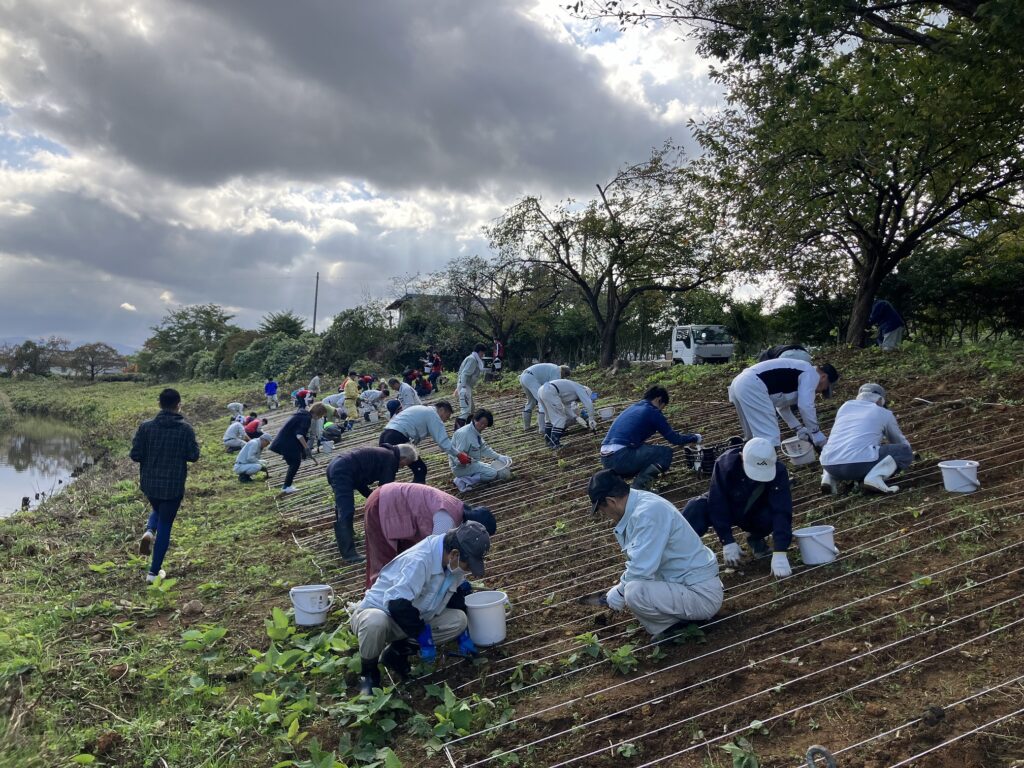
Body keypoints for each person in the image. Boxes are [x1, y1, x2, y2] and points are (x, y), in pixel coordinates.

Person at [350, 521, 491, 694]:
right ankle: (368, 675)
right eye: (468, 565)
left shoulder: (452, 564)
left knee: (458, 620)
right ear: (454, 554)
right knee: (374, 622)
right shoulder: (420, 559)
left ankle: (396, 653)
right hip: (382, 613)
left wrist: (463, 634)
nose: (468, 570)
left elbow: (453, 596)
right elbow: (397, 604)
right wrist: (423, 636)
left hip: (411, 616)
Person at [587, 470, 723, 637]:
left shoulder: (648, 513)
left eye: (602, 510)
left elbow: (641, 569)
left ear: (611, 501)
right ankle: (680, 621)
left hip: (700, 594)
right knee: (634, 588)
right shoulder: (638, 504)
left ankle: (676, 629)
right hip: (682, 584)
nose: (605, 515)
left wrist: (620, 592)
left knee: (635, 592)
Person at [681, 438, 795, 578]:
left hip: (755, 509)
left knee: (770, 515)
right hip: (730, 505)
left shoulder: (779, 471)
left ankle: (756, 539)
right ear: (742, 458)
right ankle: (680, 553)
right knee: (696, 507)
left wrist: (780, 551)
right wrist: (727, 540)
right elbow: (718, 502)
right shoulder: (725, 464)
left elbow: (782, 510)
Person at [363, 482, 497, 587]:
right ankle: (374, 606)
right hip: (384, 503)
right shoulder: (447, 520)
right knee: (384, 561)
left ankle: (403, 593)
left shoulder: (458, 510)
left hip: (397, 502)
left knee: (407, 560)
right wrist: (453, 581)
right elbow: (434, 554)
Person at [130, 388, 201, 583]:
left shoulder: (146, 427)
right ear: (179, 404)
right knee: (166, 523)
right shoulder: (185, 429)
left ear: (159, 404)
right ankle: (153, 573)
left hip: (150, 484)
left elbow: (135, 455)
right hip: (173, 485)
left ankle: (149, 530)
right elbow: (193, 456)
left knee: (158, 509)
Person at [325, 444, 418, 563]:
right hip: (343, 470)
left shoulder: (385, 454)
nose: (403, 467)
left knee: (342, 506)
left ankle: (349, 536)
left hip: (337, 466)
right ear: (403, 458)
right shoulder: (390, 460)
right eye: (405, 464)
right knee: (346, 509)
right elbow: (385, 490)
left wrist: (371, 497)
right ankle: (349, 554)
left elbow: (361, 481)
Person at [600, 386, 702, 490]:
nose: (661, 410)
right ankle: (639, 488)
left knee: (646, 452)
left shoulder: (633, 408)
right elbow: (675, 439)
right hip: (622, 457)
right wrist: (695, 438)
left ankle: (623, 489)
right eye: (663, 406)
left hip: (606, 459)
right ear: (659, 399)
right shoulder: (652, 412)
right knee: (665, 453)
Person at [820, 383, 913, 495]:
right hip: (857, 465)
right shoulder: (883, 412)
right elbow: (898, 441)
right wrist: (910, 453)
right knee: (904, 451)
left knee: (839, 445)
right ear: (880, 400)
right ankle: (874, 478)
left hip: (828, 464)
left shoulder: (845, 408)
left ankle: (828, 479)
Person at [728, 358, 840, 447]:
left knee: (751, 439)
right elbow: (806, 406)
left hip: (740, 383)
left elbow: (782, 406)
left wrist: (798, 428)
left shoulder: (799, 373)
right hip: (752, 384)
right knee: (769, 438)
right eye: (826, 387)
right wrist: (815, 432)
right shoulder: (811, 374)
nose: (822, 391)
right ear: (824, 377)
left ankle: (743, 466)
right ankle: (767, 471)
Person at [378, 402, 471, 483]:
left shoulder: (422, 409)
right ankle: (415, 495)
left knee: (387, 471)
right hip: (396, 437)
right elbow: (442, 441)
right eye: (446, 417)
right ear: (442, 410)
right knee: (420, 469)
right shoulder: (433, 415)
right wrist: (458, 454)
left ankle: (381, 495)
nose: (445, 421)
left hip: (385, 435)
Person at [270, 403, 327, 494]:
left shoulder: (303, 415)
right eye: (321, 416)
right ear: (318, 413)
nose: (320, 418)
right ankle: (286, 486)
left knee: (294, 462)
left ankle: (287, 485)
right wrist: (306, 447)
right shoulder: (306, 418)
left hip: (285, 442)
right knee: (295, 463)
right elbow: (299, 435)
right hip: (287, 443)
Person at [449, 408, 512, 492]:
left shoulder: (475, 432)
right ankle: (462, 480)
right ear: (475, 419)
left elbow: (484, 448)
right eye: (481, 423)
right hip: (461, 467)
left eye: (485, 425)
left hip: (471, 462)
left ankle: (465, 478)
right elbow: (458, 456)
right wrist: (468, 463)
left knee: (491, 468)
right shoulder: (464, 434)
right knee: (492, 473)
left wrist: (498, 457)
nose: (482, 426)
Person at [537, 377, 596, 449]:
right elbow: (588, 404)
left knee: (549, 417)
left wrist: (576, 417)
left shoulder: (570, 392)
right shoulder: (582, 389)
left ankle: (548, 441)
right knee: (560, 418)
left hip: (542, 390)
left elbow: (567, 408)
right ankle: (555, 444)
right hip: (550, 391)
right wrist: (591, 419)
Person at [519, 362, 571, 433]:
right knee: (542, 401)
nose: (562, 378)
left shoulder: (553, 368)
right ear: (563, 372)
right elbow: (553, 387)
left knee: (531, 402)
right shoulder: (557, 371)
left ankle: (527, 427)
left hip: (524, 377)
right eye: (563, 377)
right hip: (531, 378)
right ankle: (542, 429)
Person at [455, 343, 489, 429]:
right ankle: (458, 432)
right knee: (466, 411)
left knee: (471, 410)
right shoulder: (472, 360)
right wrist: (463, 388)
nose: (483, 355)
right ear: (480, 352)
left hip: (466, 386)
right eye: (483, 353)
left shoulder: (473, 359)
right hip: (465, 386)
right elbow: (464, 374)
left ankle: (468, 430)